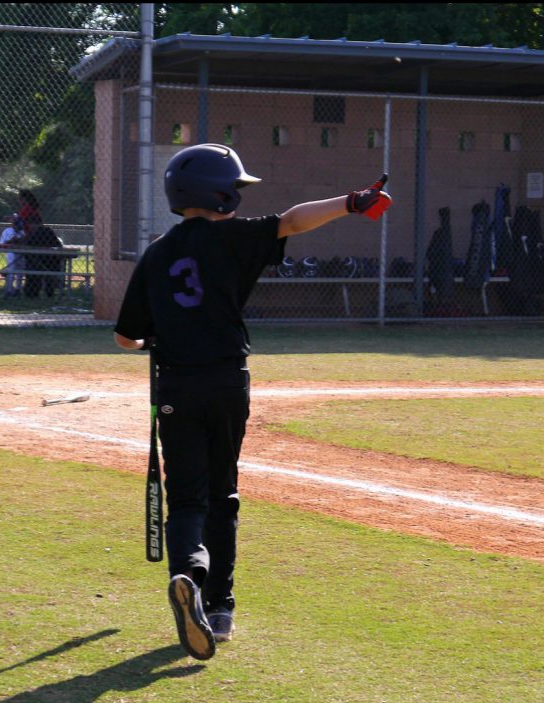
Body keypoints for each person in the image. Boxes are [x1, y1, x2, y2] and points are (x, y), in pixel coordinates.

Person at [114, 144, 391, 660]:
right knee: (224, 494)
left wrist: (158, 338)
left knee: (188, 498)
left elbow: (126, 338)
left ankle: (187, 574)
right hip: (226, 383)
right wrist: (350, 202)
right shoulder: (237, 239)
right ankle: (219, 607)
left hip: (175, 386)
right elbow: (291, 222)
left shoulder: (155, 253)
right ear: (216, 194)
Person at [22, 214, 64, 300]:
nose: (30, 226)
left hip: (45, 261)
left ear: (35, 224)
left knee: (31, 266)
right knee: (32, 262)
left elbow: (27, 244)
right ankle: (47, 293)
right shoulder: (48, 231)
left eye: (31, 224)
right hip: (49, 261)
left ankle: (33, 294)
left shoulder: (40, 232)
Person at [0, 213, 26, 297]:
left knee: (20, 272)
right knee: (11, 271)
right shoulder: (8, 230)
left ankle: (18, 289)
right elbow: (2, 244)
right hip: (11, 253)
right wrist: (11, 241)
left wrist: (19, 239)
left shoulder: (22, 232)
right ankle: (9, 290)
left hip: (21, 254)